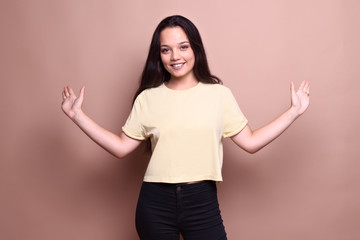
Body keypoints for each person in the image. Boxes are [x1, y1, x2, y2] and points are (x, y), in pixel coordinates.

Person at [61, 15, 310, 240]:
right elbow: (121, 146)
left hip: (202, 201)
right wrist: (77, 116)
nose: (175, 57)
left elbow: (251, 142)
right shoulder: (148, 98)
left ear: (195, 49)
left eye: (183, 47)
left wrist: (293, 112)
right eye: (166, 50)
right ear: (158, 56)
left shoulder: (219, 95)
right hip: (154, 204)